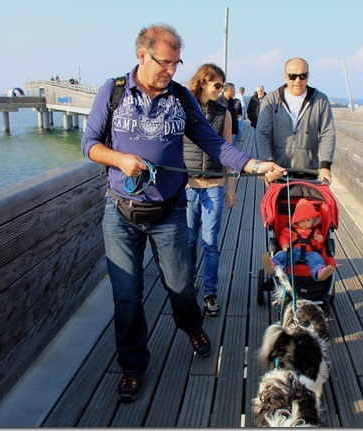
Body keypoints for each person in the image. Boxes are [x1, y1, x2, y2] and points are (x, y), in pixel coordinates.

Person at [81, 23, 285, 403]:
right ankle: (132, 366)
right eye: (165, 62)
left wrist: (254, 166)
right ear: (142, 55)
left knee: (181, 288)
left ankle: (191, 327)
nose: (172, 71)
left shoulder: (179, 98)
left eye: (177, 63)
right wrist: (119, 159)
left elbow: (213, 143)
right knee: (126, 296)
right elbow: (89, 143)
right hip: (121, 212)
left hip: (170, 210)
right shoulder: (113, 92)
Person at [183, 63, 236, 317]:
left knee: (211, 242)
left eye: (222, 86)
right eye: (217, 85)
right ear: (203, 82)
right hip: (188, 185)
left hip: (214, 183)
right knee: (191, 240)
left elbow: (228, 149)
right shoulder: (184, 107)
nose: (220, 90)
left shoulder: (224, 113)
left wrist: (231, 186)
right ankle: (190, 282)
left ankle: (210, 292)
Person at [256, 58, 335, 184]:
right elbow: (262, 133)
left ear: (308, 76)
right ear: (285, 76)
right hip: (277, 172)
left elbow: (327, 133)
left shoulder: (320, 100)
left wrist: (325, 165)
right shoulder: (271, 99)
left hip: (309, 172)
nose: (298, 80)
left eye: (302, 76)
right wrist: (267, 162)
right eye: (293, 76)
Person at [261, 198, 335, 281]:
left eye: (308, 220)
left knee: (317, 257)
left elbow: (318, 248)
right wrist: (284, 245)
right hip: (292, 252)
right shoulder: (290, 229)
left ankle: (320, 271)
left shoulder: (315, 232)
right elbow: (283, 237)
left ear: (314, 220)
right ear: (296, 219)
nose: (305, 223)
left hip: (309, 253)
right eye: (301, 220)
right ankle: (272, 265)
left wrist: (320, 241)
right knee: (282, 254)